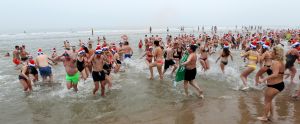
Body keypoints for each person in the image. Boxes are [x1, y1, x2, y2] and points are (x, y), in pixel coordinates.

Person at [257, 45, 285, 121]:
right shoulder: (281, 62)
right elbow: (280, 73)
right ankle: (271, 115)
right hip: (279, 84)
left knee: (267, 101)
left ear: (276, 53)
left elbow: (275, 74)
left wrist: (263, 79)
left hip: (274, 85)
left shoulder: (275, 62)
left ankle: (264, 117)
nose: (271, 53)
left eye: (273, 52)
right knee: (269, 100)